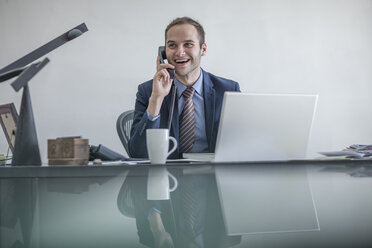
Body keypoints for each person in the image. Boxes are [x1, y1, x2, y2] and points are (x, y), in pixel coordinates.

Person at [129, 16, 240, 159]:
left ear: (203, 49)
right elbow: (137, 153)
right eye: (172, 45)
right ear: (163, 52)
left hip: (214, 174)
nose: (179, 52)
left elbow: (242, 144)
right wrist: (157, 99)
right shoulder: (148, 91)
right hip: (167, 176)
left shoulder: (228, 90)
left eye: (188, 44)